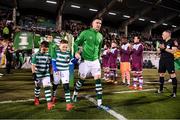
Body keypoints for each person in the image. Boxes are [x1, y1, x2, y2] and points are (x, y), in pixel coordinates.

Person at [72, 17, 103, 108]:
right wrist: (76, 52)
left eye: (100, 23)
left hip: (95, 61)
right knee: (82, 79)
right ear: (92, 24)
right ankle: (75, 94)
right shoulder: (85, 33)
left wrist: (98, 59)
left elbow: (99, 49)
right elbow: (76, 43)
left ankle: (100, 102)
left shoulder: (100, 36)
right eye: (97, 22)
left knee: (98, 79)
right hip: (85, 61)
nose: (98, 25)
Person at [51, 39, 74, 111]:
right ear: (59, 46)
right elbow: (53, 60)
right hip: (57, 71)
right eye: (63, 47)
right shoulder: (56, 52)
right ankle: (53, 97)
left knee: (66, 86)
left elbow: (71, 60)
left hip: (65, 71)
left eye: (66, 47)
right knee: (55, 84)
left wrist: (76, 59)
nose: (65, 48)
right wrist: (54, 68)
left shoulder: (68, 52)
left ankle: (68, 104)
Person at [31, 41, 54, 110]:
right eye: (44, 48)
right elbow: (33, 65)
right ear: (41, 47)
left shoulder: (48, 55)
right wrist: (34, 74)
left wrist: (51, 74)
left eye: (47, 48)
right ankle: (37, 98)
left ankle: (49, 103)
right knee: (38, 87)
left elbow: (50, 65)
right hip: (38, 74)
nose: (45, 50)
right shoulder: (35, 55)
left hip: (46, 74)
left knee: (47, 87)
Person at [157, 30, 178, 98]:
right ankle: (161, 89)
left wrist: (164, 48)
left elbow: (174, 51)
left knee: (172, 75)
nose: (162, 35)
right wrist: (158, 50)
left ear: (168, 34)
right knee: (161, 74)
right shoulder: (162, 42)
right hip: (162, 60)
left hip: (169, 60)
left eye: (163, 34)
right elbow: (159, 52)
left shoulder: (173, 41)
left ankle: (174, 93)